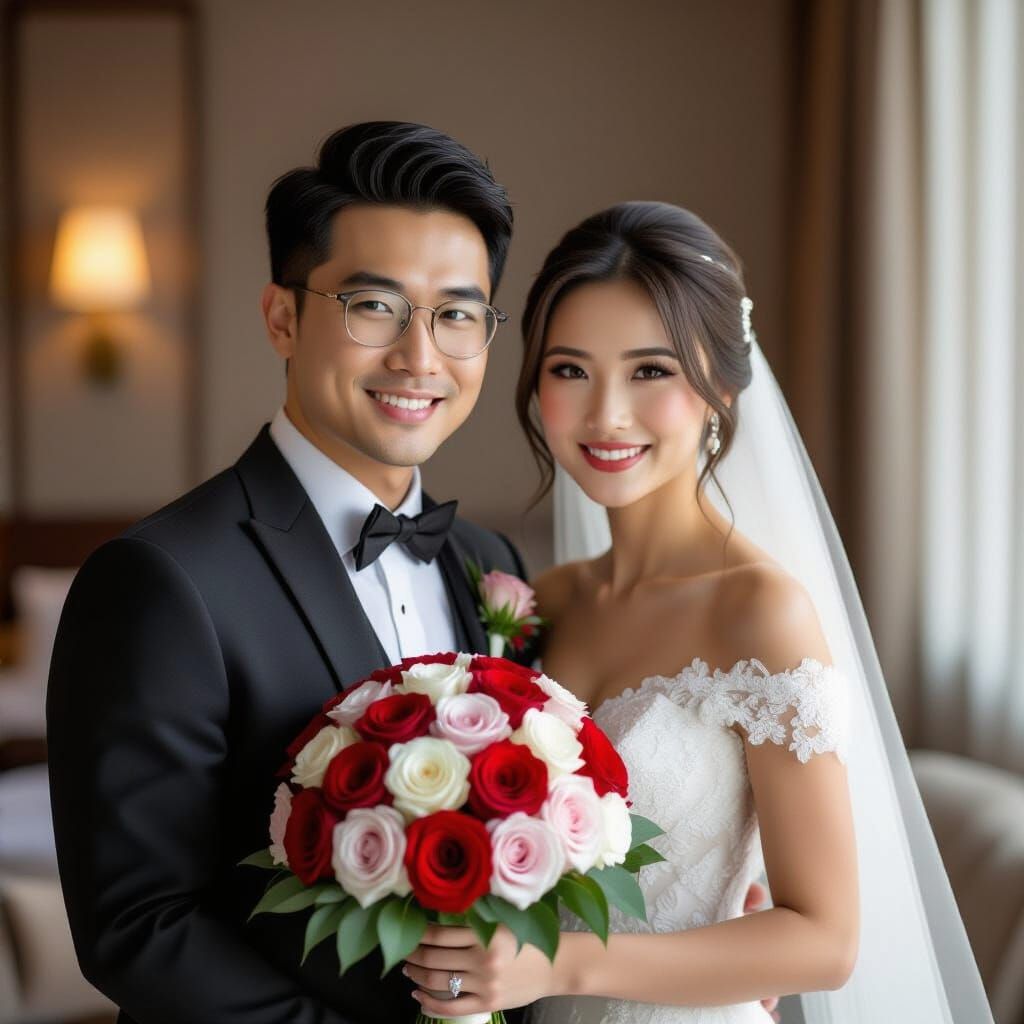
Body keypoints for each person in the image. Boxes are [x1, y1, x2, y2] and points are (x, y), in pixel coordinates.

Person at [402, 202, 994, 1022]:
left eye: (651, 371)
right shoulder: (547, 600)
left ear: (717, 383)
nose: (606, 413)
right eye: (570, 369)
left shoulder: (760, 612)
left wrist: (560, 964)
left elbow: (825, 940)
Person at [46, 121, 527, 1024]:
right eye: (374, 306)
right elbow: (140, 927)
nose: (420, 358)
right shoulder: (158, 578)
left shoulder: (490, 567)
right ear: (282, 317)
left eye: (458, 314)